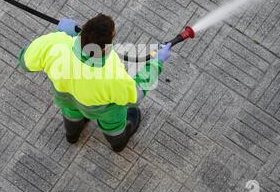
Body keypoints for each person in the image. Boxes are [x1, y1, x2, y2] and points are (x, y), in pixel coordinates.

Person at [18, 14, 172, 152]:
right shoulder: (113, 75)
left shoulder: (54, 43)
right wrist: (156, 63)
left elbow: (24, 62)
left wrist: (62, 34)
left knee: (71, 114)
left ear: (83, 30)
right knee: (113, 126)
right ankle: (118, 144)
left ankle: (72, 136)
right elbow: (136, 95)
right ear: (104, 48)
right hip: (103, 110)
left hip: (67, 99)